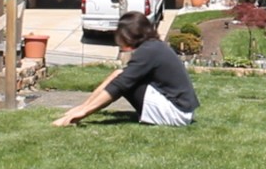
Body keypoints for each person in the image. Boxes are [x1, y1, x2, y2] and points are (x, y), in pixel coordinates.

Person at [52, 11, 199, 127]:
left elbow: (120, 85)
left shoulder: (149, 50)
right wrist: (82, 107)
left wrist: (83, 114)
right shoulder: (153, 46)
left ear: (131, 35)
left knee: (123, 81)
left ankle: (79, 112)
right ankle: (81, 107)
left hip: (177, 113)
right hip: (182, 111)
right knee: (119, 74)